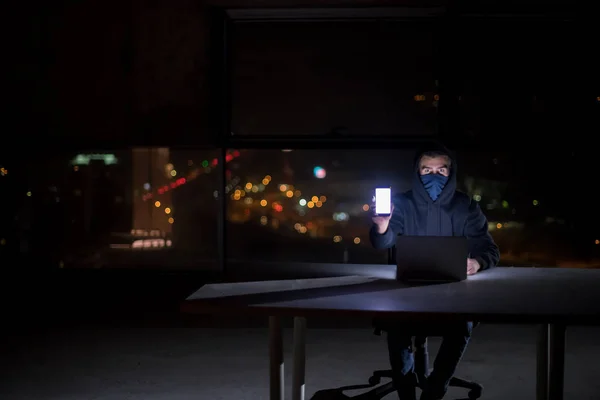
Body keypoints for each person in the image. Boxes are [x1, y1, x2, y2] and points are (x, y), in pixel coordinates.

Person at [370, 142, 499, 400]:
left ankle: (436, 389)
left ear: (451, 173)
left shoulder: (466, 207)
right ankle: (406, 393)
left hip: (454, 292)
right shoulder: (401, 204)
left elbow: (490, 250)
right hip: (407, 291)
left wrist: (477, 263)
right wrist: (382, 226)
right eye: (426, 170)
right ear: (416, 172)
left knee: (462, 325)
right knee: (398, 325)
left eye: (441, 170)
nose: (434, 176)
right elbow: (382, 243)